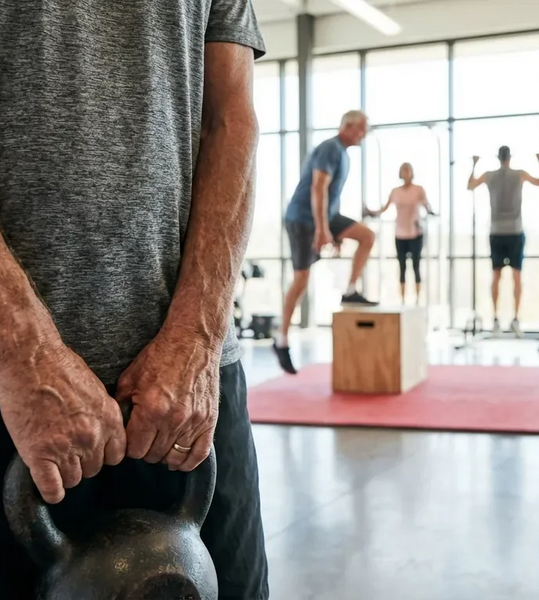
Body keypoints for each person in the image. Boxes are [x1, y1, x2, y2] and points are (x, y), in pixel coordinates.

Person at [0, 3, 269, 598]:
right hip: (11, 395)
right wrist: (23, 352)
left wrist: (197, 341)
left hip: (187, 395)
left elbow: (231, 121)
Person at [275, 110, 377, 375]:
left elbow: (332, 194)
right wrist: (322, 229)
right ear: (348, 126)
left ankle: (351, 290)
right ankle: (281, 339)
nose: (363, 135)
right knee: (301, 282)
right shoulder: (330, 148)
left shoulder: (343, 153)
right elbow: (318, 188)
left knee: (366, 236)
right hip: (302, 220)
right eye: (361, 129)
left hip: (326, 216)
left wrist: (337, 232)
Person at [468, 147, 539, 337]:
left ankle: (507, 320)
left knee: (505, 277)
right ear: (509, 158)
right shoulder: (517, 174)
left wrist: (474, 165)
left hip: (505, 232)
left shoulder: (491, 175)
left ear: (499, 157)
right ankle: (504, 320)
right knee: (508, 277)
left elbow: (470, 185)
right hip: (507, 232)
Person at [369, 163, 435, 304]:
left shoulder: (418, 190)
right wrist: (371, 212)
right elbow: (384, 208)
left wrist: (431, 212)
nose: (406, 173)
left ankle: (418, 300)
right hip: (400, 234)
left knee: (416, 266)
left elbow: (427, 205)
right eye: (403, 170)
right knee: (402, 267)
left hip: (415, 233)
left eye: (408, 170)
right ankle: (403, 300)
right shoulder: (395, 191)